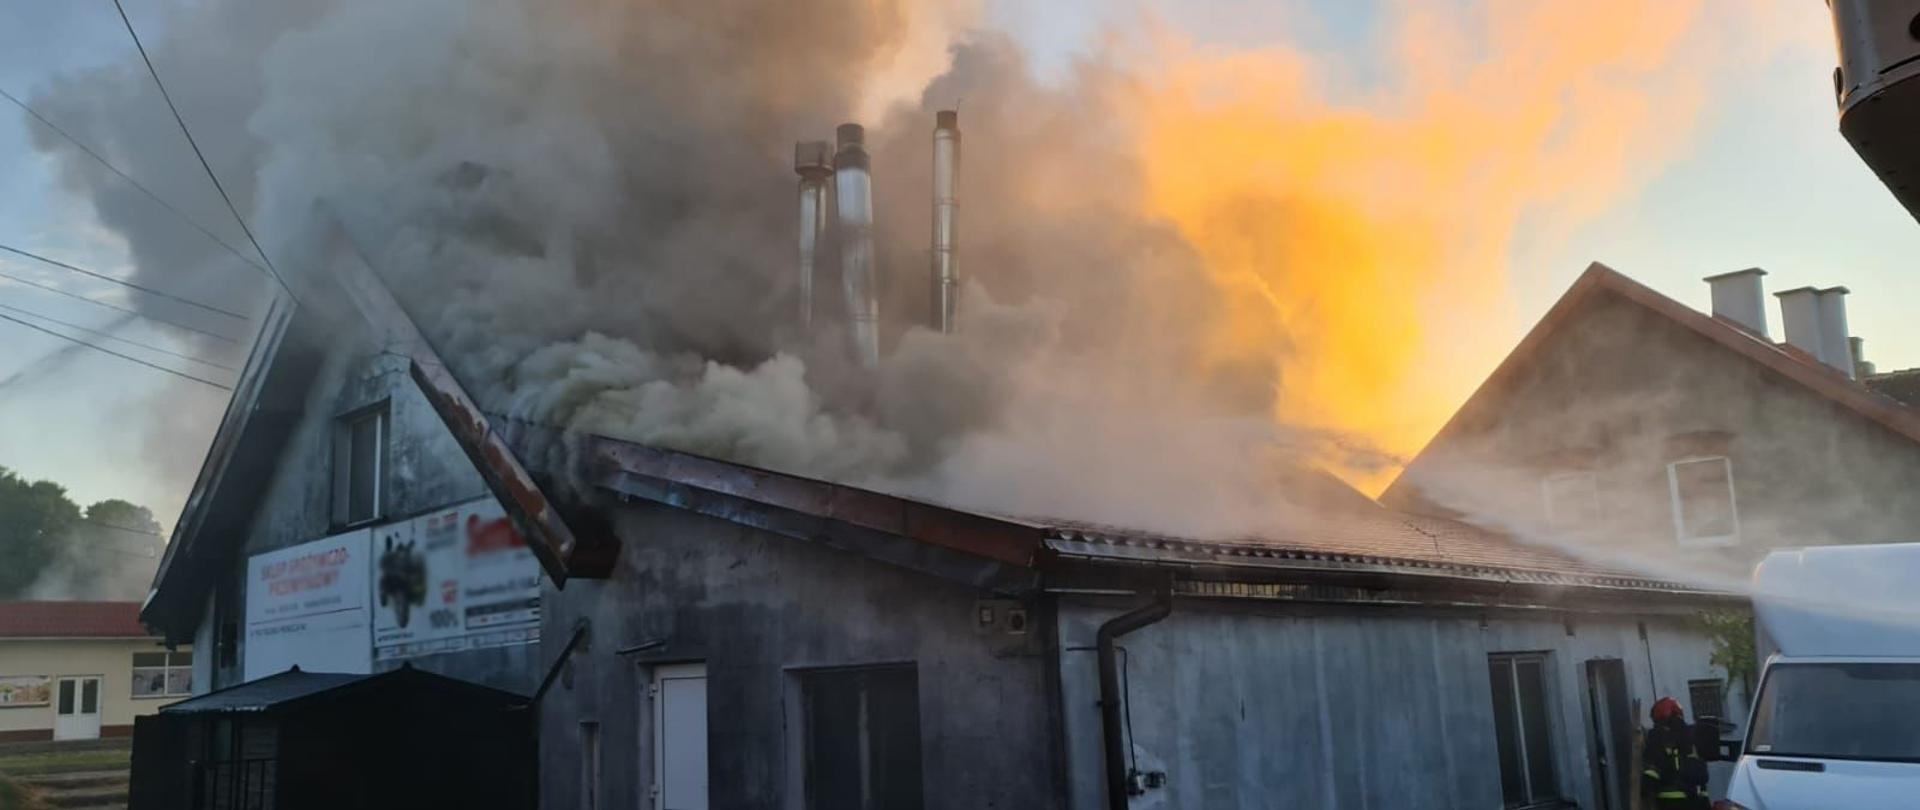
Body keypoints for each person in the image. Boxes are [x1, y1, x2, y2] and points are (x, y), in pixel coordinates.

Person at [1641, 697, 1711, 810]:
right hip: (1697, 800)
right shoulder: (1692, 735)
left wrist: (1644, 789)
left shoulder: (1658, 736)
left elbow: (1652, 770)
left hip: (1671, 802)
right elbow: (1701, 772)